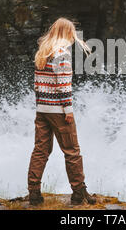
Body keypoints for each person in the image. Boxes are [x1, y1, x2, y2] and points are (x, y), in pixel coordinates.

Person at [27, 17, 96, 206]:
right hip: (59, 111)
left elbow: (37, 85)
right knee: (72, 151)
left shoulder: (43, 52)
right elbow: (63, 86)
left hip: (42, 110)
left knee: (40, 151)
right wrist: (68, 110)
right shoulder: (62, 54)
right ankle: (79, 193)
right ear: (67, 33)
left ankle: (33, 193)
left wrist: (40, 107)